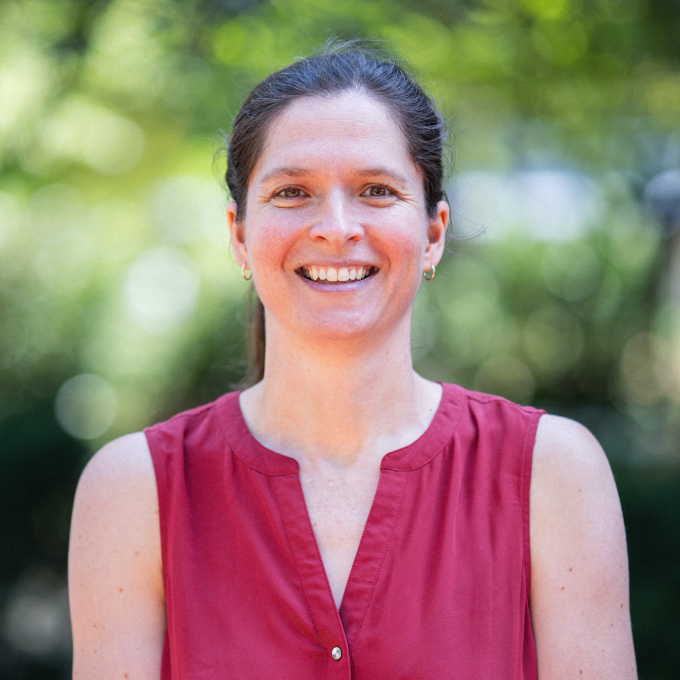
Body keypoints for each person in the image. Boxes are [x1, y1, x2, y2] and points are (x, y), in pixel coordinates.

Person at [68, 43, 637, 679]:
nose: (336, 227)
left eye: (375, 189)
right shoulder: (133, 492)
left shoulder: (552, 475)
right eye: (292, 191)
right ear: (238, 234)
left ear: (433, 233)